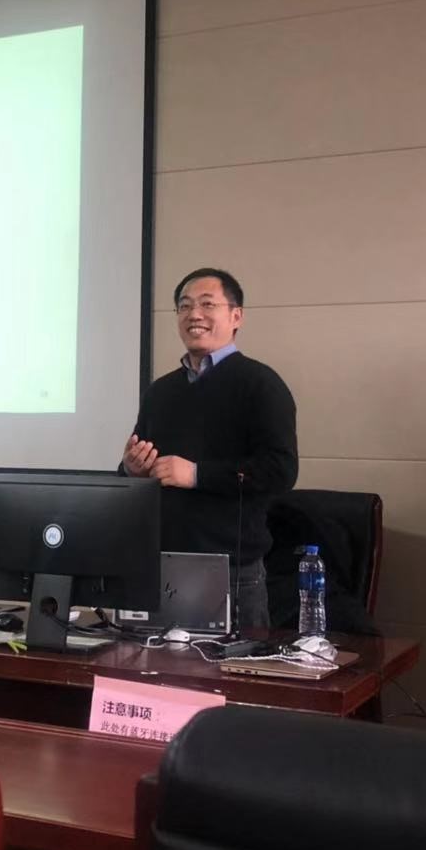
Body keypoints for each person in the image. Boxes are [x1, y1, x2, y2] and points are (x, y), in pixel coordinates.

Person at [121, 268, 298, 629]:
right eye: (185, 306)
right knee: (151, 664)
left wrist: (197, 474)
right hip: (161, 565)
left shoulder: (260, 384)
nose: (194, 315)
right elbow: (139, 469)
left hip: (232, 572)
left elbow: (280, 470)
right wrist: (131, 470)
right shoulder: (161, 392)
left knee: (234, 665)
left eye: (207, 304)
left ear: (236, 316)